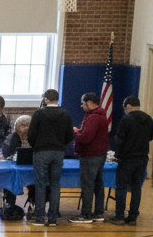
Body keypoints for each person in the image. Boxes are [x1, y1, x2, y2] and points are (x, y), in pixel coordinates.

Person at [27, 89, 74, 227]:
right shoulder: (65, 114)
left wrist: (36, 146)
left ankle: (40, 217)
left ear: (46, 99)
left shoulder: (39, 113)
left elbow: (31, 135)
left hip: (41, 151)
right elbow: (70, 135)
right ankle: (53, 218)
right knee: (55, 185)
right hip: (58, 152)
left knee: (40, 185)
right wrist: (61, 145)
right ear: (57, 99)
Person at [110, 94, 153, 224]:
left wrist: (117, 155)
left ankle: (119, 216)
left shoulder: (126, 119)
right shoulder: (149, 119)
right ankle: (132, 217)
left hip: (127, 159)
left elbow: (119, 139)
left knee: (121, 187)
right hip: (142, 158)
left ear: (128, 107)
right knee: (136, 187)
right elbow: (151, 137)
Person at [70, 92, 109, 224]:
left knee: (87, 185)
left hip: (91, 155)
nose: (82, 106)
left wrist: (75, 131)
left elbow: (85, 138)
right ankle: (98, 213)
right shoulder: (101, 115)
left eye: (83, 103)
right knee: (98, 183)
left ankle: (86, 214)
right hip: (100, 154)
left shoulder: (93, 117)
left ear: (90, 102)